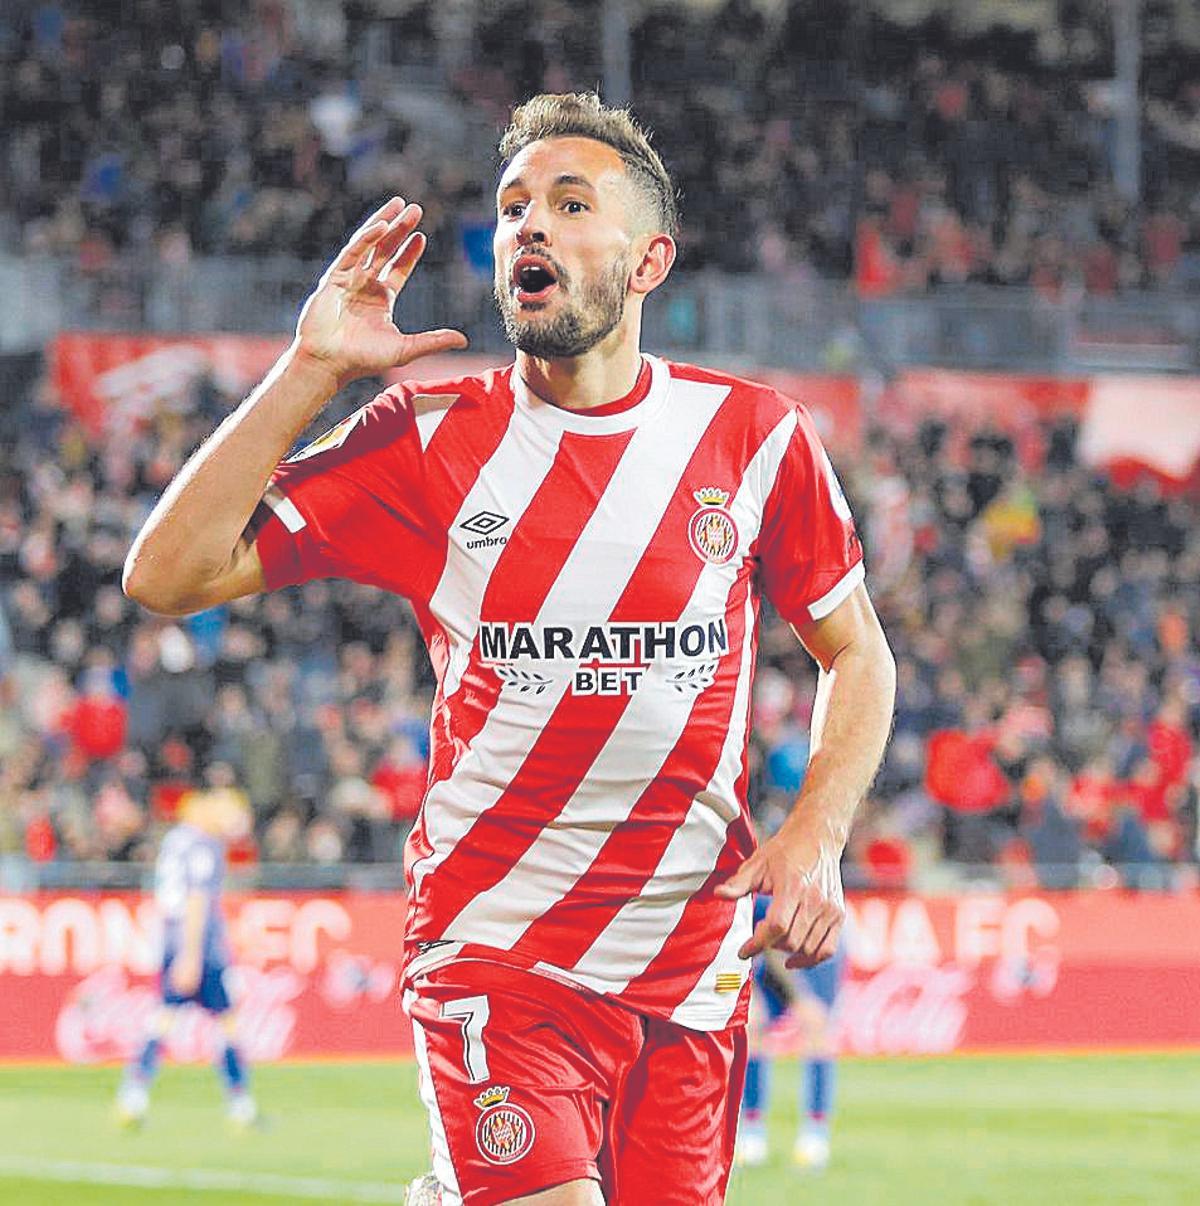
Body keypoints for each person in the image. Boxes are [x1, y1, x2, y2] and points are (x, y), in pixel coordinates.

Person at [124, 92, 895, 1205]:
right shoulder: (426, 440)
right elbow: (167, 574)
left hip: (689, 971)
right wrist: (312, 373)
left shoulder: (754, 437)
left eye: (570, 204)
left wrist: (818, 830)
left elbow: (856, 653)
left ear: (648, 261)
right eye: (513, 206)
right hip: (497, 951)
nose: (527, 225)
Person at [115, 786, 258, 1127]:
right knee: (226, 1022)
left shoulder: (175, 840)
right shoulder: (203, 847)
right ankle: (240, 1104)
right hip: (198, 947)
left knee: (164, 1017)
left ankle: (133, 1096)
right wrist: (191, 955)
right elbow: (197, 900)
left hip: (170, 938)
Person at [734, 897, 847, 1172]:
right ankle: (751, 1132)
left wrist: (801, 997)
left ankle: (815, 1135)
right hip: (766, 955)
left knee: (816, 1026)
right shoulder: (751, 875)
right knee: (752, 1026)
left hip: (817, 945)